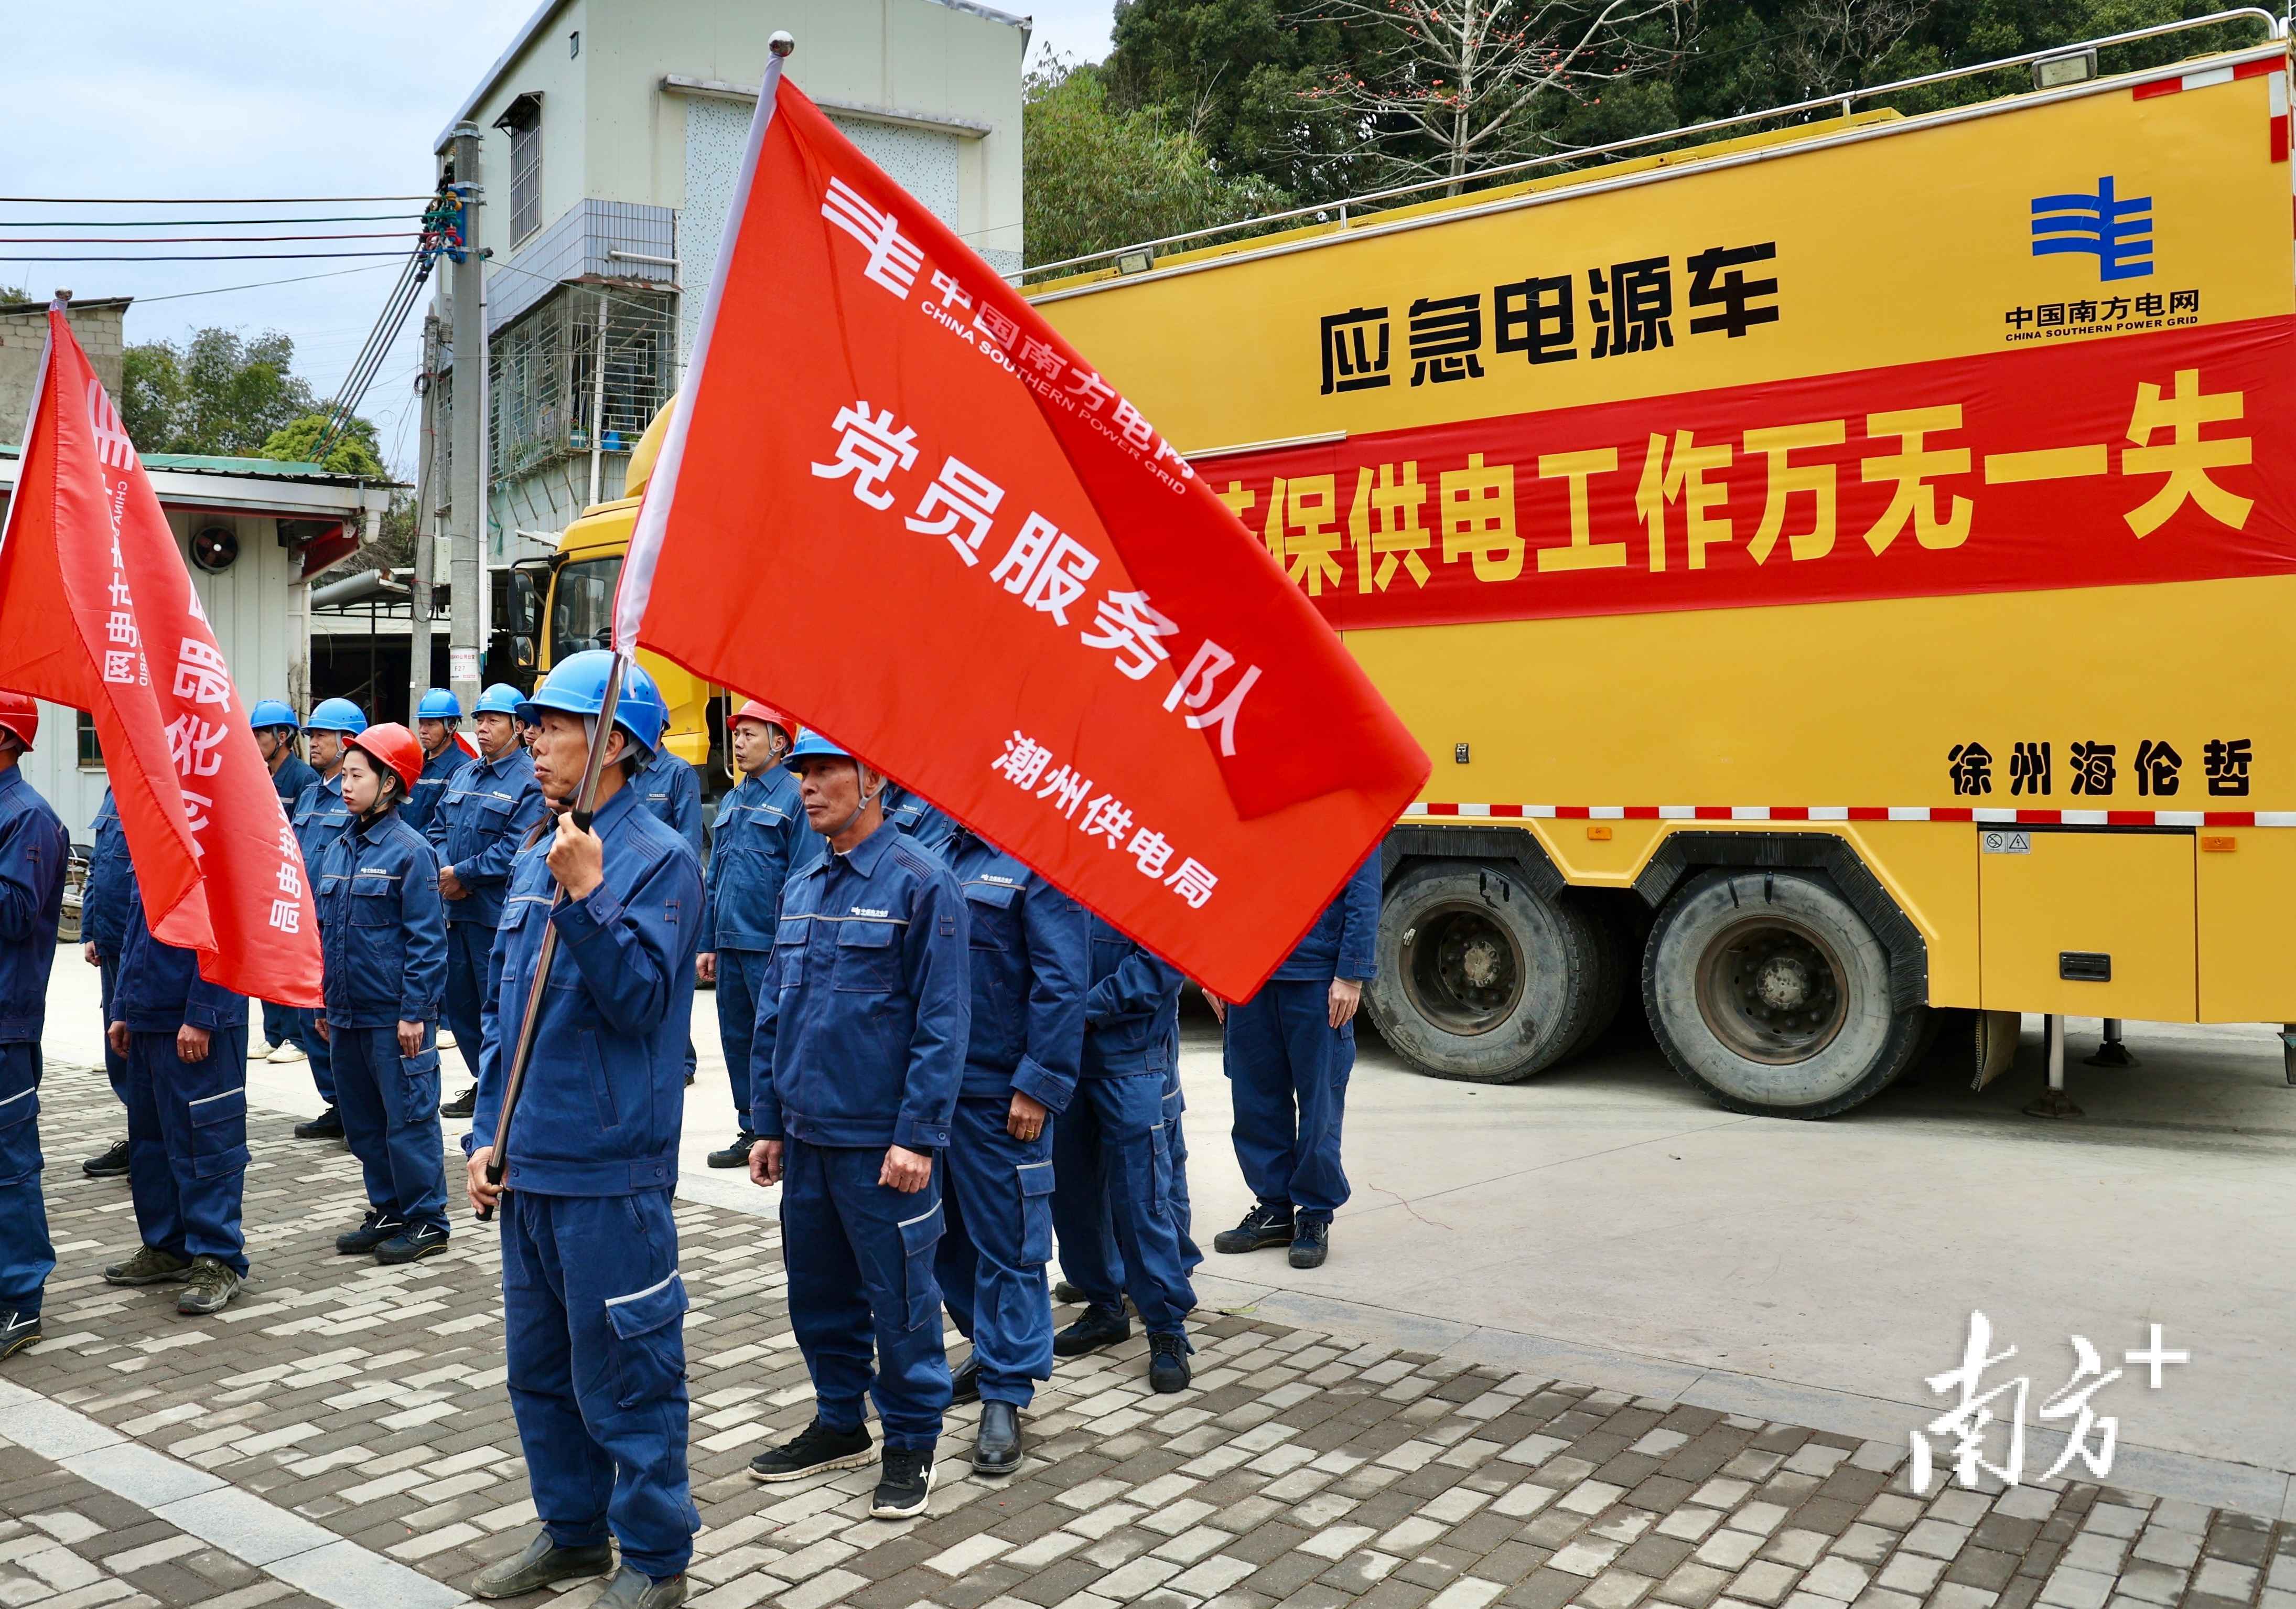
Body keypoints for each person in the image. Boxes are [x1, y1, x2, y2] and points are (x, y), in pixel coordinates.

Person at [463, 653, 700, 1609]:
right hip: (529, 1166)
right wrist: (487, 1133)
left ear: (614, 745)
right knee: (542, 1373)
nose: (534, 741)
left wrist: (591, 896)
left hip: (610, 1172)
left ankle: (654, 1558)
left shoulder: (659, 858)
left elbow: (641, 1002)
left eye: (554, 725)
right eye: (534, 724)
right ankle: (571, 1535)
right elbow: (502, 1012)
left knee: (628, 1376)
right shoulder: (539, 850)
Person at [743, 732, 967, 1521]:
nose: (806, 786)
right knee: (818, 1294)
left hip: (881, 1145)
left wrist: (917, 1135)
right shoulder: (804, 882)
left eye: (823, 771)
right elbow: (774, 1011)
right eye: (800, 773)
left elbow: (943, 1022)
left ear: (871, 777)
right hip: (807, 1139)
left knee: (901, 1300)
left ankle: (911, 1438)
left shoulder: (921, 881)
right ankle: (840, 1420)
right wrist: (767, 1122)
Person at [934, 819, 1085, 1473]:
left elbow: (1062, 979)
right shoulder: (931, 846)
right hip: (931, 1087)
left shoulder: (1037, 855)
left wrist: (1038, 1083)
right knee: (942, 1242)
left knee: (1008, 1245)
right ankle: (987, 1344)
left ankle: (1004, 1390)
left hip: (1001, 1093)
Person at [316, 723, 450, 1265]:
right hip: (346, 1013)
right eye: (344, 776)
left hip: (394, 1017)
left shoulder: (411, 852)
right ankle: (390, 1208)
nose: (345, 786)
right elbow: (325, 931)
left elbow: (428, 941)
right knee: (364, 1122)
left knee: (409, 1119)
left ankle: (428, 1219)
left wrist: (415, 1012)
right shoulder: (338, 846)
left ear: (389, 782)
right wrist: (324, 1001)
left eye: (357, 776)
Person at [1206, 856, 1381, 1270]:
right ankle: (1274, 1211)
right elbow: (1217, 874)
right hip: (1248, 972)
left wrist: (1351, 975)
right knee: (1254, 1099)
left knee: (1320, 1104)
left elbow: (1363, 893)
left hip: (1315, 975)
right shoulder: (1244, 815)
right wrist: (1211, 964)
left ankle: (1315, 1214)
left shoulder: (1345, 817)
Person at [1049, 918, 1196, 1390]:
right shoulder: (1048, 880)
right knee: (1071, 1196)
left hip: (1130, 1059)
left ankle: (1166, 1329)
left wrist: (1084, 1011)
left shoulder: (1149, 879)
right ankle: (1104, 1307)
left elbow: (1163, 961)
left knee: (1141, 1200)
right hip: (1059, 1060)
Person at [103, 863, 251, 1317]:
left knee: (206, 1145)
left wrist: (205, 1013)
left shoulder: (213, 843)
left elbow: (232, 929)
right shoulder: (155, 847)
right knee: (152, 1144)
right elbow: (136, 935)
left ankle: (218, 1258)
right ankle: (168, 1247)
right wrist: (124, 1008)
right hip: (149, 1020)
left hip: (198, 1023)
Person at [696, 702, 814, 1171]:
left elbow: (804, 879)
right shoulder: (732, 799)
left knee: (778, 1040)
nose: (738, 744)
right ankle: (752, 1127)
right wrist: (708, 942)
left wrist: (793, 949)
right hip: (731, 944)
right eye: (736, 735)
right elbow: (715, 877)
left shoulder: (795, 797)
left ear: (779, 742)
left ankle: (786, 1130)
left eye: (749, 735)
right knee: (737, 1040)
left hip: (771, 947)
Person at [432, 683, 546, 1121]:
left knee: (497, 1006)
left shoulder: (530, 778)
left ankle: (508, 1090)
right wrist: (446, 872)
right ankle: (486, 1082)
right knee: (461, 1006)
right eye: (479, 719)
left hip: (495, 916)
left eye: (493, 720)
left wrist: (462, 875)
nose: (482, 727)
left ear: (517, 727)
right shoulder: (464, 775)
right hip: (456, 912)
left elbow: (517, 847)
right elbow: (437, 829)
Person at [0, 693, 68, 1360]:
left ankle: (21, 1299)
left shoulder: (30, 817)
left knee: (10, 1167)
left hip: (6, 1024)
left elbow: (17, 913)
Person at [287, 698, 367, 1134]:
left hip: (340, 925)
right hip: (305, 925)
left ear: (347, 741)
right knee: (309, 1018)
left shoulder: (358, 797)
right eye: (311, 735)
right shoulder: (310, 794)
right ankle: (337, 1105)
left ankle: (358, 1110)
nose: (312, 742)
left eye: (320, 735)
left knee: (338, 1020)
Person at [633, 746, 704, 1087]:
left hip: (664, 892)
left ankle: (682, 1062)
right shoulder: (624, 769)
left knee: (672, 978)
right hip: (627, 891)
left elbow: (689, 840)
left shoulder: (679, 772)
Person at [251, 700, 317, 1064]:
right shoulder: (261, 776)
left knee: (289, 960)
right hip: (265, 878)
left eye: (261, 734)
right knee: (267, 959)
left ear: (282, 736)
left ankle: (297, 1037)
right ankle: (273, 1034)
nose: (256, 741)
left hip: (291, 880)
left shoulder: (303, 779)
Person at [78, 786, 134, 1179]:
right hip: (112, 942)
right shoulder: (115, 789)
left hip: (141, 943)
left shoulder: (156, 784)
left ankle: (154, 1149)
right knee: (119, 1051)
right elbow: (99, 866)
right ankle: (140, 1140)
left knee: (143, 1050)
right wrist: (90, 929)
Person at [405, 688, 468, 839]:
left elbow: (446, 821)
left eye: (430, 724)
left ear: (451, 726)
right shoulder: (414, 764)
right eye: (421, 724)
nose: (422, 731)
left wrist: (410, 843)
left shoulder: (463, 769)